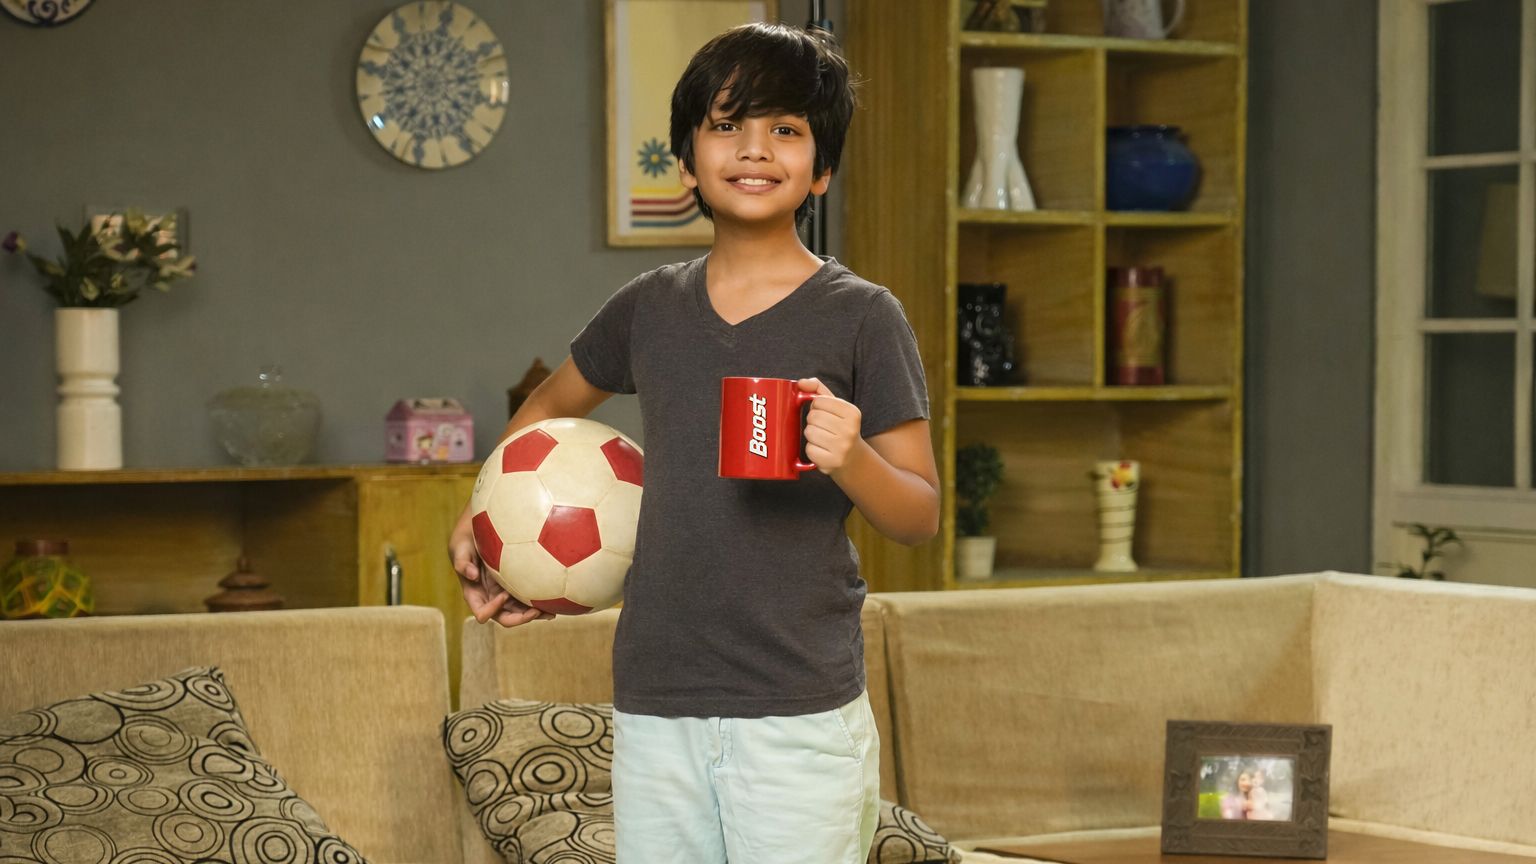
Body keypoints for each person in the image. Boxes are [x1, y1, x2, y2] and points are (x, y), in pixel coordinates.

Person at [446, 21, 939, 864]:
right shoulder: (649, 308)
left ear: (821, 170)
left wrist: (852, 458)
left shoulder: (863, 316)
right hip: (655, 703)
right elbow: (548, 408)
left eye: (786, 129)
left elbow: (919, 515)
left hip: (799, 710)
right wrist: (489, 521)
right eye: (727, 124)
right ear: (686, 161)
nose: (755, 149)